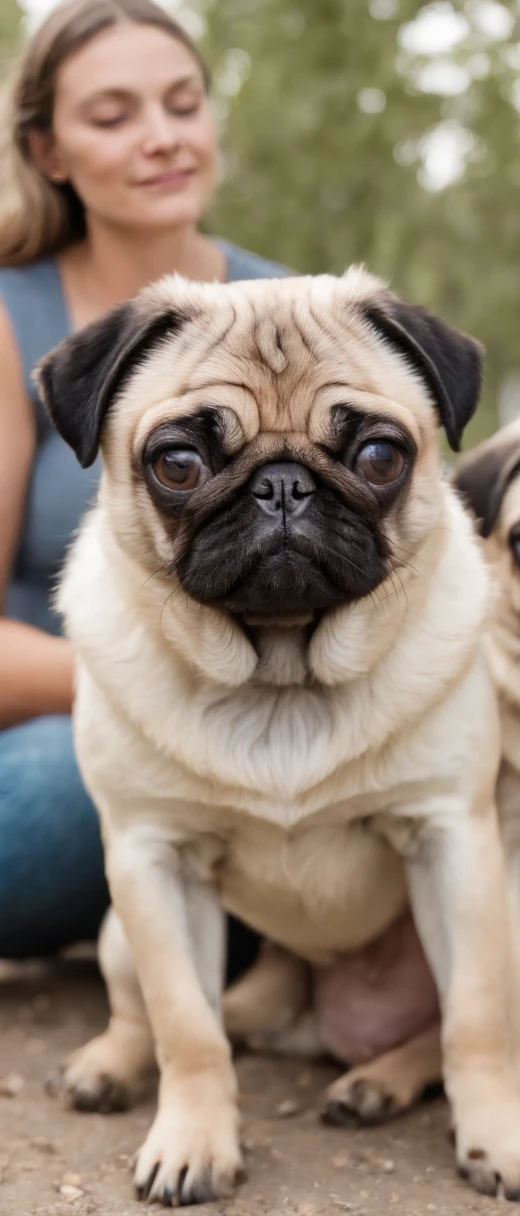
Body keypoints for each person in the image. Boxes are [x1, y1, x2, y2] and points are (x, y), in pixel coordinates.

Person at [0, 0, 291, 966]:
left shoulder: (297, 313)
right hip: (57, 712)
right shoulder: (14, 317)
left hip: (274, 713)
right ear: (48, 151)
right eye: (114, 115)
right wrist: (176, 686)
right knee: (56, 794)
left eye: (182, 103)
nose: (163, 138)